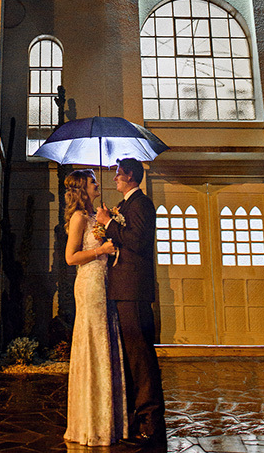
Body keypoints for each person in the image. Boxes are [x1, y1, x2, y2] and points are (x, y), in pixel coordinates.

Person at [96, 158, 165, 446]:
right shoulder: (124, 205)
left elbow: (137, 241)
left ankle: (151, 420)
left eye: (119, 174)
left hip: (134, 289)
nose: (115, 178)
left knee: (141, 356)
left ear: (132, 176)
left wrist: (109, 223)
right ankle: (137, 415)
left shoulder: (142, 204)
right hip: (121, 289)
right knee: (130, 356)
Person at [63, 168, 128, 447]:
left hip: (105, 283)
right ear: (82, 188)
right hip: (89, 285)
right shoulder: (79, 217)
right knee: (93, 342)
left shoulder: (95, 215)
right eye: (92, 181)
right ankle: (89, 423)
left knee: (106, 342)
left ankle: (108, 419)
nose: (97, 183)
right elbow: (70, 257)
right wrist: (101, 250)